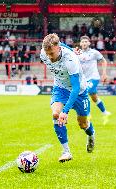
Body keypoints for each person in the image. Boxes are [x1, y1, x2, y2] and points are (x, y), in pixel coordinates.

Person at [40, 33, 96, 163]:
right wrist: (61, 113)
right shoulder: (44, 53)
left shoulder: (70, 60)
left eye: (52, 53)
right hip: (60, 88)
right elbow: (60, 46)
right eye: (47, 54)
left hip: (79, 92)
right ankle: (66, 152)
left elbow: (75, 88)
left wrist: (66, 111)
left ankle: (91, 135)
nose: (49, 57)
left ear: (58, 48)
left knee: (83, 124)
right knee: (55, 114)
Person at [78, 36, 111, 123]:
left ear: (89, 43)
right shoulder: (77, 53)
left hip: (94, 77)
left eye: (86, 41)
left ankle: (88, 115)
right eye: (83, 42)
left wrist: (104, 73)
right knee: (94, 97)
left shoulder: (94, 53)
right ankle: (104, 112)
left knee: (85, 93)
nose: (84, 43)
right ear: (80, 43)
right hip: (83, 79)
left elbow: (104, 61)